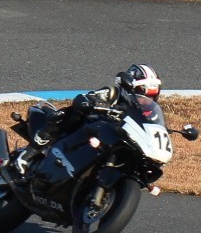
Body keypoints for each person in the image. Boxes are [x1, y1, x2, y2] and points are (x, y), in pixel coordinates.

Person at [15, 64, 163, 176]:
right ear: (129, 88)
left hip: (113, 141)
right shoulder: (113, 93)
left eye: (152, 95)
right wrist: (93, 103)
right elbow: (85, 98)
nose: (146, 99)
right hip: (92, 128)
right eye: (142, 93)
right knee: (63, 115)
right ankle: (27, 154)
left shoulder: (150, 113)